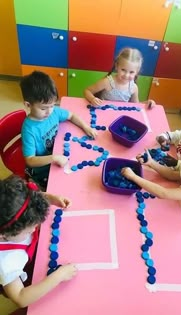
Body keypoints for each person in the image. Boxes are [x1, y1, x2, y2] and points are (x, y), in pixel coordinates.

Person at [0, 175, 78, 311]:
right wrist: (59, 276)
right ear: (4, 235)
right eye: (31, 229)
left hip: (32, 254)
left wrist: (51, 198)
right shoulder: (6, 263)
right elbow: (20, 298)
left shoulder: (9, 206)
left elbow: (25, 200)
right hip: (20, 279)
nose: (34, 229)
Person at [20, 71, 97, 190]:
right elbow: (30, 160)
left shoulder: (53, 111)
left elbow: (71, 115)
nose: (49, 111)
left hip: (57, 154)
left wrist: (85, 127)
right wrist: (53, 158)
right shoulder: (29, 129)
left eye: (52, 105)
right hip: (42, 170)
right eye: (43, 108)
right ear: (28, 105)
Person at [84, 47, 155, 108]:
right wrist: (92, 99)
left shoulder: (134, 88)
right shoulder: (107, 82)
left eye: (131, 72)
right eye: (123, 70)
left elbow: (136, 105)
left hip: (121, 118)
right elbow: (87, 91)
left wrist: (147, 103)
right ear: (117, 66)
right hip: (103, 114)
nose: (126, 75)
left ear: (137, 72)